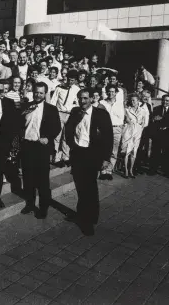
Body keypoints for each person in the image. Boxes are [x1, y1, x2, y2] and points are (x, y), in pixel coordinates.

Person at [65, 89, 113, 236]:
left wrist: (106, 158)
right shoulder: (75, 112)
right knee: (80, 186)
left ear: (92, 99)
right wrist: (72, 146)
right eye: (80, 98)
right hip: (78, 154)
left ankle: (89, 221)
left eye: (85, 98)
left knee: (90, 188)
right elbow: (68, 131)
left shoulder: (101, 114)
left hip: (93, 155)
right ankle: (81, 214)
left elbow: (108, 137)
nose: (83, 101)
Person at [19, 81, 61, 218]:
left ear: (45, 94)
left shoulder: (51, 109)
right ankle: (30, 204)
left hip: (41, 147)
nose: (38, 95)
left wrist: (48, 137)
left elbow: (57, 127)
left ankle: (43, 208)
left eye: (41, 93)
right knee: (28, 178)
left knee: (42, 180)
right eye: (36, 92)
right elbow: (19, 125)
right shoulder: (26, 106)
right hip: (27, 146)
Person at [0, 80, 20, 208]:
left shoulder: (9, 103)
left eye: (0, 90)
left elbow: (13, 123)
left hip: (2, 143)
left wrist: (10, 142)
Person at [50, 70, 80, 167]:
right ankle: (56, 157)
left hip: (70, 114)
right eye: (69, 80)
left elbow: (77, 102)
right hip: (59, 113)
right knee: (57, 136)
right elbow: (53, 102)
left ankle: (65, 157)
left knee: (66, 136)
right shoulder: (59, 88)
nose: (71, 82)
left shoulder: (76, 89)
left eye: (73, 81)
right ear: (66, 78)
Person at [99, 85, 125, 180]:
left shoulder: (120, 103)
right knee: (104, 149)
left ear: (116, 93)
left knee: (114, 151)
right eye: (109, 91)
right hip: (105, 129)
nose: (111, 93)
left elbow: (122, 117)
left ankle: (109, 170)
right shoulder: (102, 103)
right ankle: (103, 170)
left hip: (116, 129)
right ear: (106, 92)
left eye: (113, 91)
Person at [121, 94, 149, 178]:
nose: (133, 102)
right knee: (127, 152)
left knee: (134, 152)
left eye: (134, 100)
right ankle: (125, 170)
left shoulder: (143, 110)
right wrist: (127, 122)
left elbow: (145, 122)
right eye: (131, 100)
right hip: (128, 133)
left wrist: (140, 126)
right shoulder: (126, 110)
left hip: (137, 134)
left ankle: (131, 170)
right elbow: (124, 120)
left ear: (138, 101)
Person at [149, 95, 169, 177]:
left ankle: (166, 171)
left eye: (167, 100)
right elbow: (153, 120)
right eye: (164, 100)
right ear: (162, 100)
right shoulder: (156, 109)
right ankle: (153, 169)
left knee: (167, 153)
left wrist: (166, 126)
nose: (165, 102)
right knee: (155, 152)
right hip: (158, 134)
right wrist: (154, 119)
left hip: (168, 134)